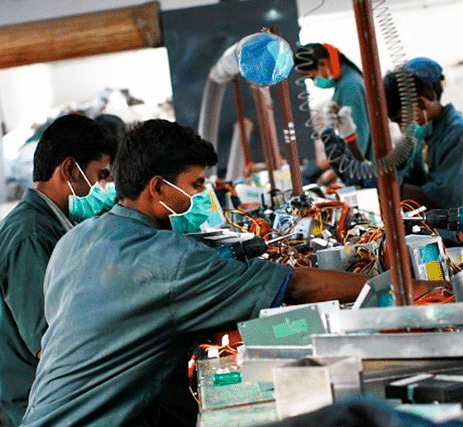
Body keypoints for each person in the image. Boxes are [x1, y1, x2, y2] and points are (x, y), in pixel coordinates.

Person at [20, 119, 373, 427]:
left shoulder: (75, 241)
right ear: (158, 188)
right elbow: (296, 286)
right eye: (197, 185)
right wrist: (392, 289)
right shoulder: (168, 259)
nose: (203, 195)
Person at [0, 113, 116, 427]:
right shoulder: (31, 235)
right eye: (100, 175)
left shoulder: (59, 224)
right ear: (69, 170)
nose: (104, 187)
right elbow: (49, 344)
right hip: (38, 401)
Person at [384, 57, 463, 210]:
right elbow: (411, 174)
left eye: (401, 119)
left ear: (420, 103)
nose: (401, 127)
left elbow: (447, 199)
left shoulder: (461, 134)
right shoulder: (425, 132)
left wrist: (393, 187)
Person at [295, 43, 372, 184]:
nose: (315, 81)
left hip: (368, 172)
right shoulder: (343, 84)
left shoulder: (350, 86)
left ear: (322, 63)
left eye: (312, 77)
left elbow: (357, 143)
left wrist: (320, 168)